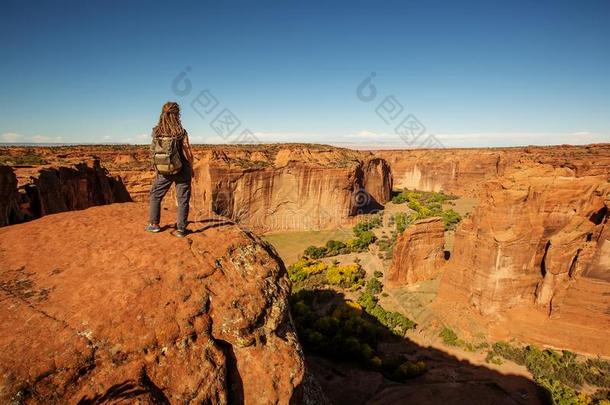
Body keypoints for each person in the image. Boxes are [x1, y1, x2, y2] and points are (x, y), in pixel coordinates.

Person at [145, 102, 194, 237]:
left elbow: (154, 151)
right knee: (183, 199)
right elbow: (188, 153)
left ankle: (154, 225)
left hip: (163, 171)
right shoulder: (180, 132)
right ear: (177, 114)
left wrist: (157, 167)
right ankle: (181, 229)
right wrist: (192, 167)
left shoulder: (156, 131)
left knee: (155, 195)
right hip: (182, 169)